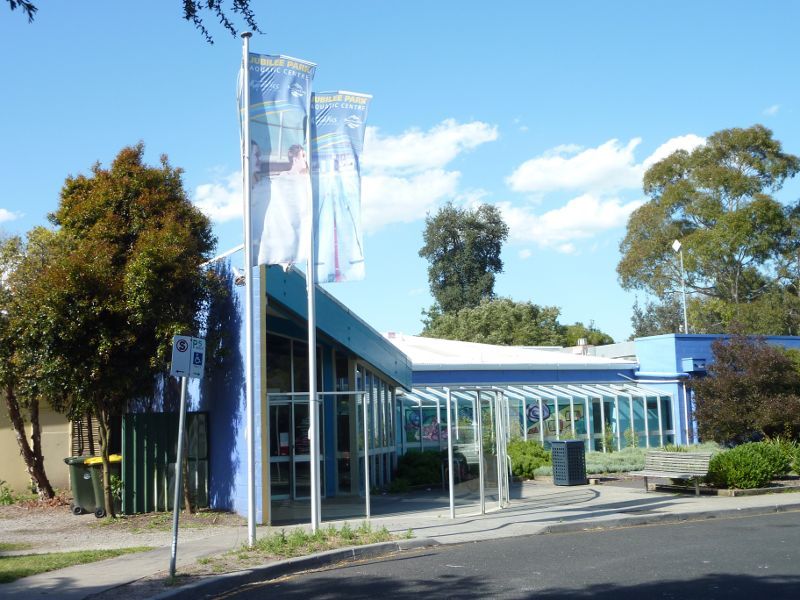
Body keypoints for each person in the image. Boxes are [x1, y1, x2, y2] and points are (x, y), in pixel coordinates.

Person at [257, 143, 311, 266]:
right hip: (288, 220)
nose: (306, 159)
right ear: (295, 158)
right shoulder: (284, 177)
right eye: (303, 156)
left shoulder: (306, 179)